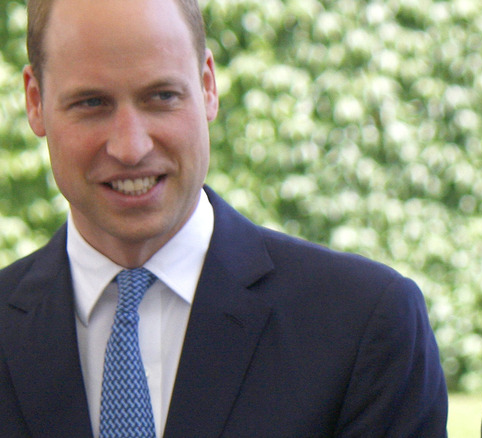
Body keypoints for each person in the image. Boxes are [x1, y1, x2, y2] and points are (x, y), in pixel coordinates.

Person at [0, 0, 448, 436]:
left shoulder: (365, 326)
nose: (130, 147)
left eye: (161, 97)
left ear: (208, 87)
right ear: (35, 102)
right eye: (92, 103)